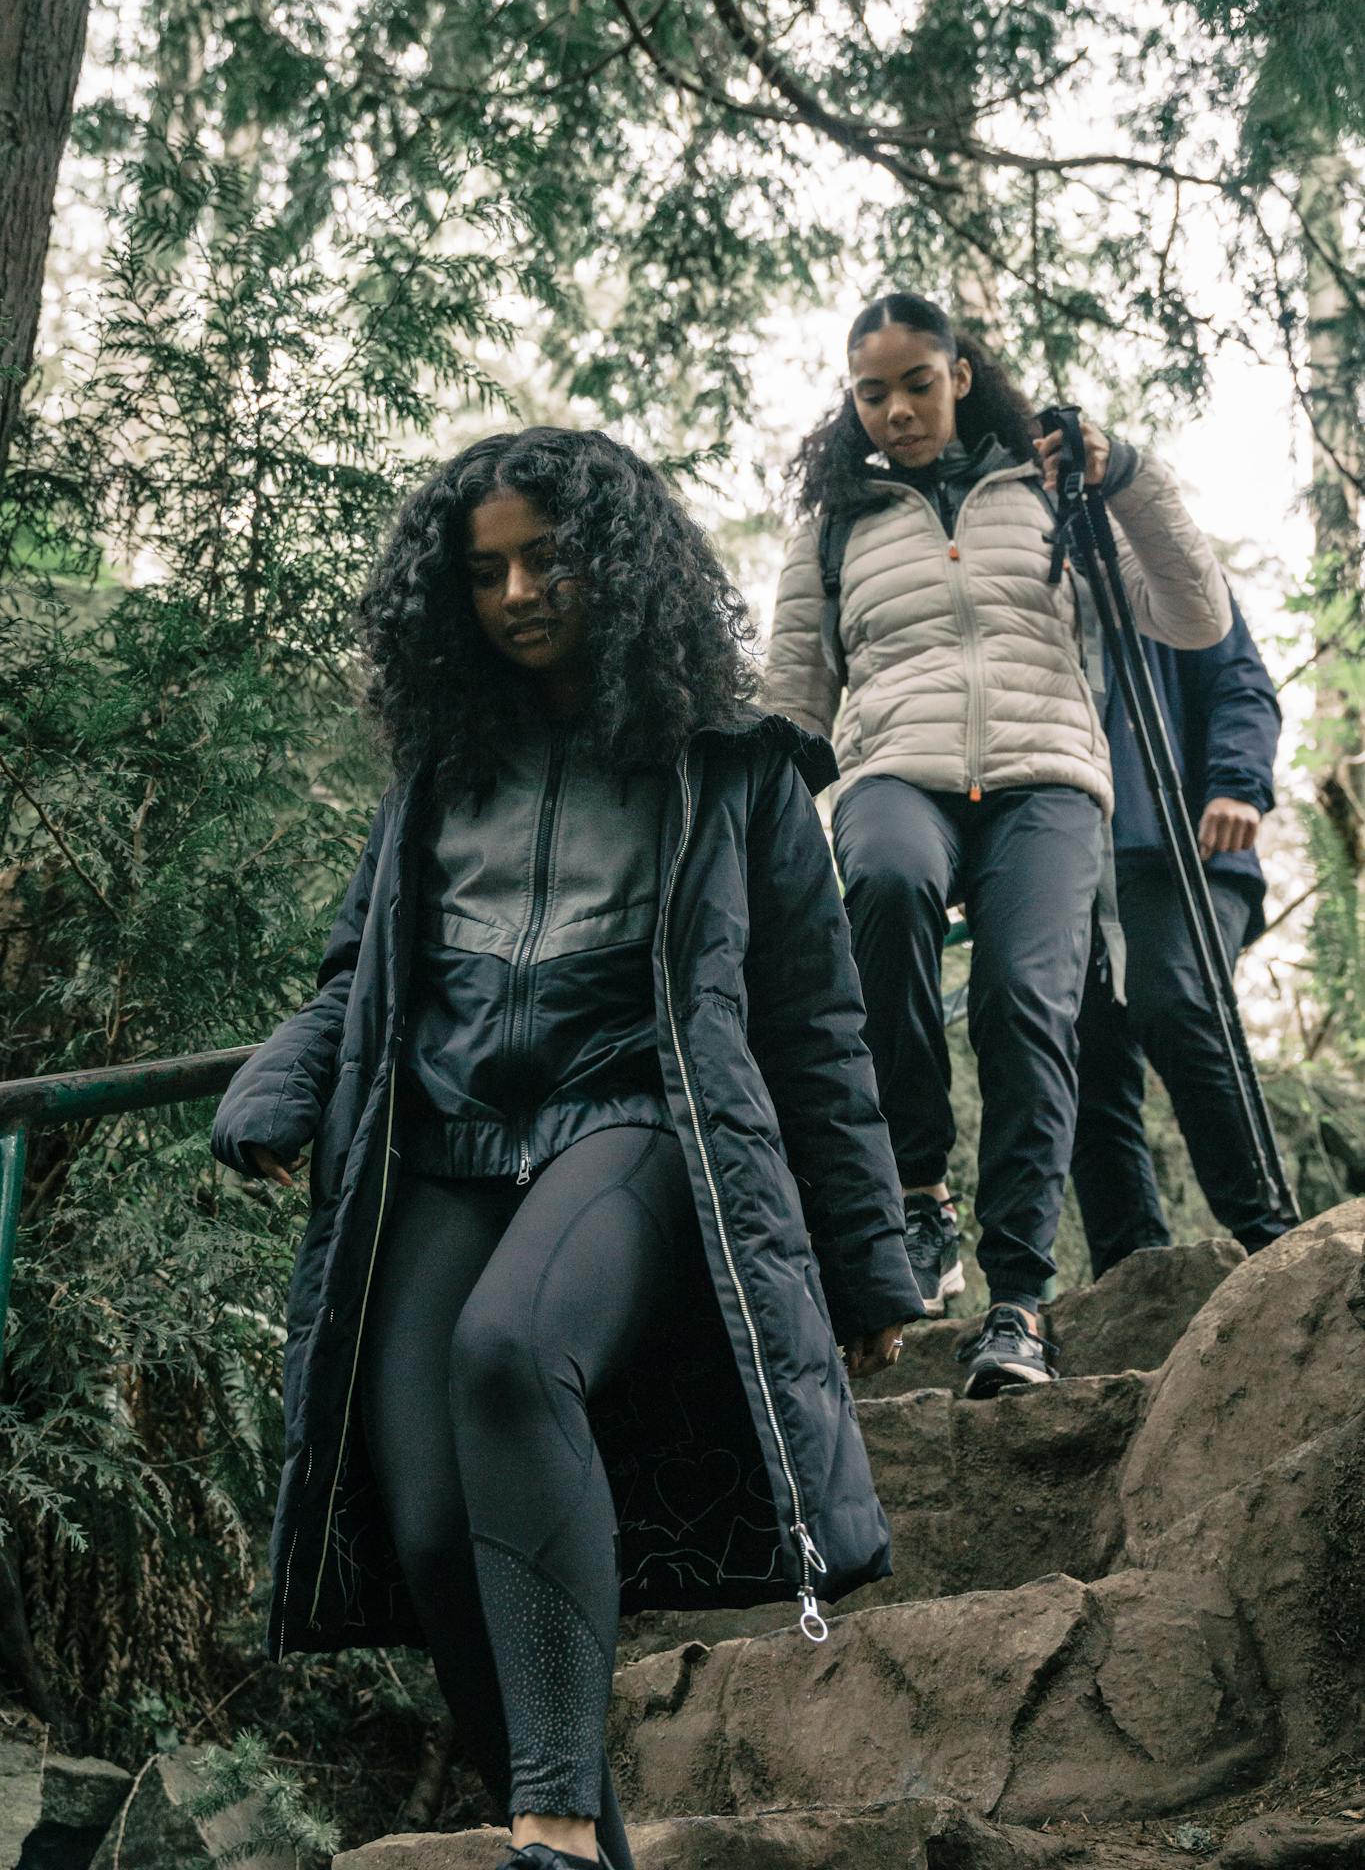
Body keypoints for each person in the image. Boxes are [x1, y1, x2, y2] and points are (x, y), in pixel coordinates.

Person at [211, 426, 923, 1870]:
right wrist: (281, 1086)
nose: (521, 590)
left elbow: (815, 1031)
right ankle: (578, 1840)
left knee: (507, 1353)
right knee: (423, 1522)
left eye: (550, 557)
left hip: (637, 1117)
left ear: (626, 564)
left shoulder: (733, 766)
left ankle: (541, 1821)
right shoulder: (439, 762)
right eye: (487, 572)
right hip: (447, 1140)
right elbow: (364, 971)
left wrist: (867, 1272)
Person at [765, 291, 1232, 1397]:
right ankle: (918, 1194)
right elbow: (793, 696)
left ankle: (1019, 1300)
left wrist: (1125, 477)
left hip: (1045, 779)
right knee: (881, 876)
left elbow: (1196, 614)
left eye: (916, 383)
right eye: (870, 392)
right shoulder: (834, 524)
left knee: (1026, 997)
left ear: (959, 372)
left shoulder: (1054, 497)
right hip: (896, 771)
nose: (895, 411)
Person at [1070, 589, 1296, 1274]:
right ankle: (1130, 1272)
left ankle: (1273, 1242)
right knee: (1079, 1056)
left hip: (1183, 843)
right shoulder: (1020, 561)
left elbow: (1240, 682)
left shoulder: (1152, 555)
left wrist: (1235, 783)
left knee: (1173, 1000)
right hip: (1065, 854)